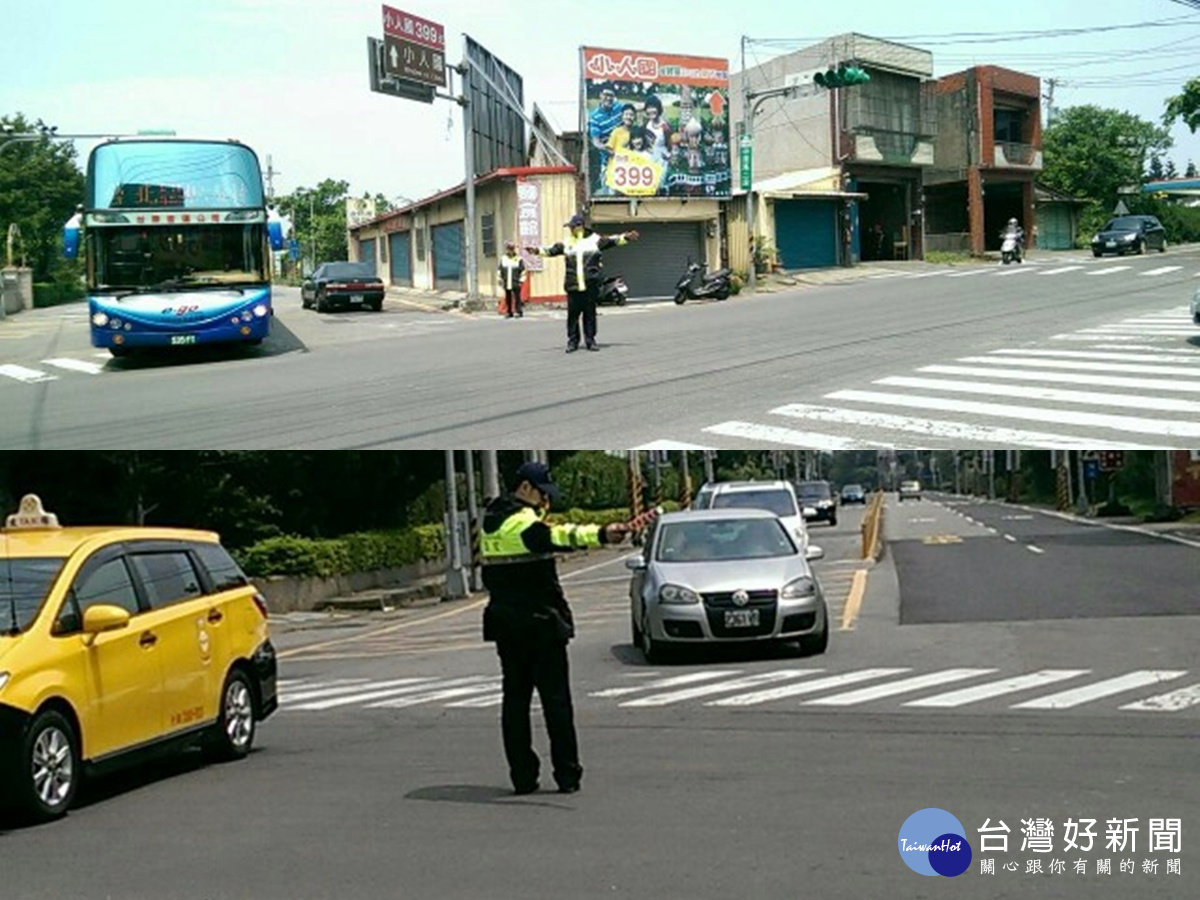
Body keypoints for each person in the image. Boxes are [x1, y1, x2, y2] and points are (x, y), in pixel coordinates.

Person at [480, 461, 631, 795]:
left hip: (506, 627)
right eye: (542, 494)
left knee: (515, 704)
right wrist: (603, 534)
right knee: (556, 704)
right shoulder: (523, 525)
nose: (545, 502)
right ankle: (567, 774)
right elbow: (561, 536)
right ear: (524, 489)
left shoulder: (490, 524)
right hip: (541, 626)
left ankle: (522, 776)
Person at [527, 213, 639, 353]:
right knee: (572, 316)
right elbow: (551, 250)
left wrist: (626, 237)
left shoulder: (595, 240)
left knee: (589, 314)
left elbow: (612, 240)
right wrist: (537, 251)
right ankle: (572, 342)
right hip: (573, 285)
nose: (570, 229)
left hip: (590, 285)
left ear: (579, 226)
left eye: (572, 227)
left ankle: (590, 341)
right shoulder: (567, 242)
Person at [497, 241, 525, 318]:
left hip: (516, 281)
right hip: (506, 281)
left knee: (517, 297)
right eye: (509, 249)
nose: (510, 250)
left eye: (512, 249)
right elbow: (500, 270)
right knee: (508, 297)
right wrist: (500, 279)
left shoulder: (519, 259)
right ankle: (509, 312)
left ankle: (518, 311)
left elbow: (523, 271)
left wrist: (521, 281)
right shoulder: (503, 259)